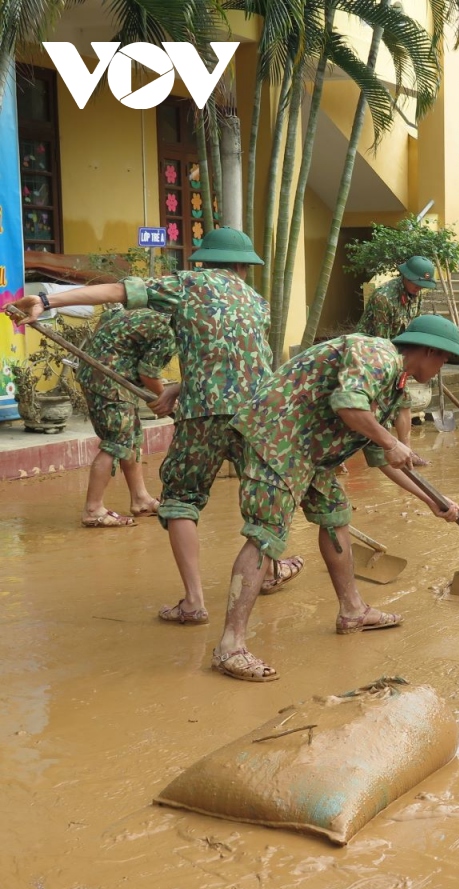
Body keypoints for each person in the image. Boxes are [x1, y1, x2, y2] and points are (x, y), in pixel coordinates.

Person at [11, 227, 305, 624]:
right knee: (262, 495)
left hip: (202, 413)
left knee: (181, 501)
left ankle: (194, 602)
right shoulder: (256, 301)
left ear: (204, 260)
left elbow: (116, 291)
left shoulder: (186, 285)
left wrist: (46, 300)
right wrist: (176, 388)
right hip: (254, 413)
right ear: (243, 266)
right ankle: (269, 571)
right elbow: (246, 363)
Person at [212, 316, 459, 682]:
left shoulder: (394, 386)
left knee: (335, 516)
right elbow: (349, 408)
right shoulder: (377, 354)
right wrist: (392, 440)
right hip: (277, 439)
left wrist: (431, 501)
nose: (443, 368)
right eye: (444, 360)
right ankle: (229, 646)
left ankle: (353, 611)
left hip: (311, 451)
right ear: (429, 350)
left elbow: (382, 459)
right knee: (265, 534)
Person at [76, 308, 176, 527]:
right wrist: (163, 398)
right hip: (108, 379)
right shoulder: (168, 333)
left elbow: (107, 317)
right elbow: (148, 374)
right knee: (117, 440)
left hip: (100, 372)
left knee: (131, 436)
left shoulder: (147, 313)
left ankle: (141, 499)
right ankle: (93, 510)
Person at [357, 255, 439, 466]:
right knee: (367, 406)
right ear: (405, 276)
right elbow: (380, 340)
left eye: (423, 285)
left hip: (399, 355)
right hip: (369, 357)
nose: (419, 288)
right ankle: (344, 458)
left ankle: (407, 453)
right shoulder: (383, 298)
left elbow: (413, 329)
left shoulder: (416, 295)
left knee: (404, 402)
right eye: (416, 283)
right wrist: (397, 368)